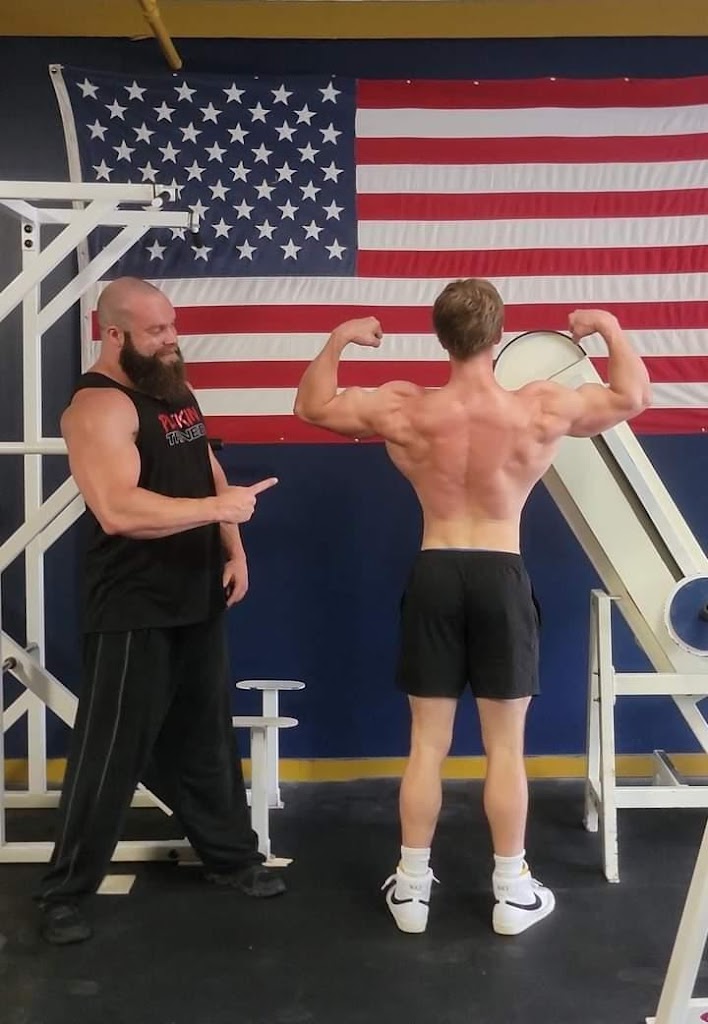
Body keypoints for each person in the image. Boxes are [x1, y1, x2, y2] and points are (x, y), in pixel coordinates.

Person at [293, 278, 651, 936]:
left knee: (426, 745)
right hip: (499, 573)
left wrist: (340, 339)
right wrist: (607, 325)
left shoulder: (405, 408)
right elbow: (631, 396)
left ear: (441, 337)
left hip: (435, 571)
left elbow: (312, 405)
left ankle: (411, 888)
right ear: (498, 335)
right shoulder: (539, 406)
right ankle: (511, 891)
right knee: (505, 749)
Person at [36, 276, 285, 945]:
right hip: (132, 603)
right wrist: (217, 510)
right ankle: (64, 894)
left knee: (205, 735)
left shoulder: (171, 385)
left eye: (172, 325)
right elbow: (117, 510)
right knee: (110, 752)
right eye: (156, 331)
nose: (172, 339)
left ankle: (231, 859)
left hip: (197, 589)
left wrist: (233, 546)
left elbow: (206, 467)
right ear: (112, 333)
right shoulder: (97, 407)